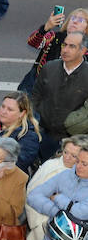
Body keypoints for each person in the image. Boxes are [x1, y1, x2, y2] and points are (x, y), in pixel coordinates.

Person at [32, 31, 88, 160]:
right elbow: (35, 96)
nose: (65, 50)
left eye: (72, 46)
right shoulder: (49, 68)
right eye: (64, 45)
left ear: (83, 50)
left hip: (75, 141)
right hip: (46, 135)